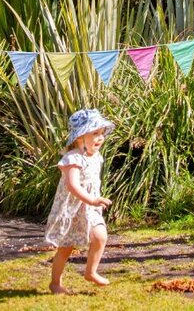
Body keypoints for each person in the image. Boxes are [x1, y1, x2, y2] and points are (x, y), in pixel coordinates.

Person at [44, 108, 115, 294]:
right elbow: (72, 186)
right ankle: (55, 283)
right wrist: (92, 199)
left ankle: (90, 272)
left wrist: (93, 201)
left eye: (101, 133)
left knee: (100, 236)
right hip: (72, 209)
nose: (100, 138)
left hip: (90, 208)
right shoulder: (72, 159)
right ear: (79, 137)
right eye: (95, 133)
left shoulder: (96, 156)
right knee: (66, 248)